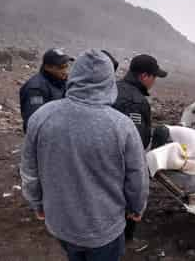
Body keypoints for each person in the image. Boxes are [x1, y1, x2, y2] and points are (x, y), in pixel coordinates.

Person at [20, 49, 149, 261]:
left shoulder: (42, 116)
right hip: (104, 229)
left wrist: (37, 203)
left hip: (60, 223)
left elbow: (29, 169)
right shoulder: (122, 126)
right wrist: (136, 207)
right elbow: (137, 176)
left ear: (75, 76)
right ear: (109, 81)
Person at [113, 54, 167, 248]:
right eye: (154, 77)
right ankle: (125, 240)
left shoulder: (114, 88)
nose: (154, 82)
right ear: (145, 76)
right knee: (127, 197)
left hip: (104, 158)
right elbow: (134, 142)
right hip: (121, 162)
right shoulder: (135, 101)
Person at [19, 48, 74, 132]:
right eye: (61, 68)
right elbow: (34, 123)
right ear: (47, 67)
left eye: (66, 66)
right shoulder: (35, 89)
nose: (65, 71)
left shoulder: (62, 82)